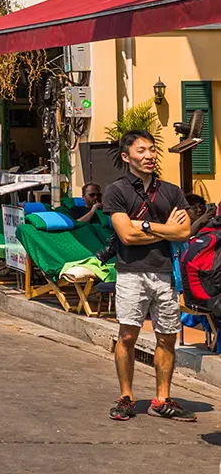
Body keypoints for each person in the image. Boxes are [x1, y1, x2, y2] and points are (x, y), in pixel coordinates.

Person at [104, 129, 194, 421]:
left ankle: (162, 399)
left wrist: (143, 225)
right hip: (131, 272)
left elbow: (184, 231)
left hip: (165, 272)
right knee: (128, 335)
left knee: (167, 337)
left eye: (152, 149)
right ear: (126, 156)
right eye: (141, 150)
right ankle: (126, 397)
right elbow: (126, 236)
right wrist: (165, 230)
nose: (149, 156)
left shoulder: (171, 191)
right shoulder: (117, 191)